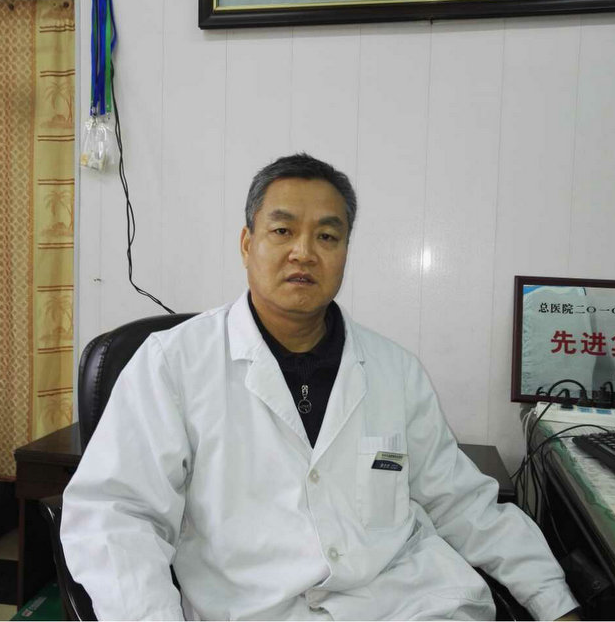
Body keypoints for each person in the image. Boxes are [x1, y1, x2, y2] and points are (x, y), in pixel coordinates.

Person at [61, 153, 580, 621]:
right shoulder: (172, 365)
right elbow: (117, 517)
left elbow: (462, 502)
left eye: (327, 237)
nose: (304, 252)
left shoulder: (394, 371)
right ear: (247, 244)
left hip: (410, 604)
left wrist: (553, 601)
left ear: (346, 252)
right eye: (282, 231)